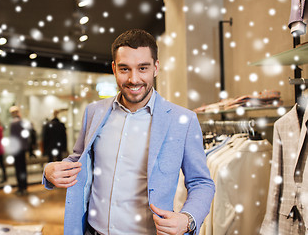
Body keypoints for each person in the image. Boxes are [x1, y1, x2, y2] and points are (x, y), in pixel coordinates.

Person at [43, 29, 215, 235]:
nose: (134, 79)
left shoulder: (183, 120)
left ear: (156, 67)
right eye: (125, 69)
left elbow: (201, 182)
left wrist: (188, 219)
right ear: (114, 68)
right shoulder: (94, 112)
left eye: (143, 68)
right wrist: (50, 171)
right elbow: (78, 160)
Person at [9, 105, 28, 195]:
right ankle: (24, 187)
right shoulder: (22, 122)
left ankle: (21, 187)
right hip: (23, 148)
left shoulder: (13, 123)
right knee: (23, 168)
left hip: (17, 149)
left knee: (18, 169)